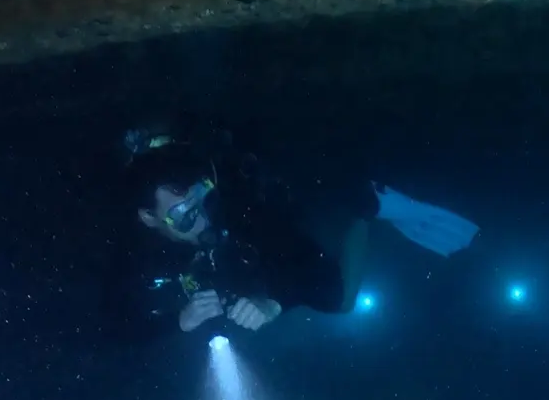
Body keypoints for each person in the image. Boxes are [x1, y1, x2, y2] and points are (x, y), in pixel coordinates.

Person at [105, 128, 478, 340]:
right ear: (148, 218)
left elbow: (321, 282)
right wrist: (180, 321)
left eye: (201, 199)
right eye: (185, 218)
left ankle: (361, 208)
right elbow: (112, 330)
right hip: (235, 271)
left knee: (343, 301)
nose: (202, 220)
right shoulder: (126, 250)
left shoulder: (237, 205)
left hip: (291, 193)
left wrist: (274, 302)